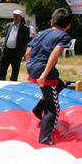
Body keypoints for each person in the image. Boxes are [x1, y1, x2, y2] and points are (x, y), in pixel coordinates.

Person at [25, 8, 72, 145]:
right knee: (53, 108)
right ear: (68, 25)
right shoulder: (64, 36)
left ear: (52, 22)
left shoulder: (41, 33)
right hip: (43, 73)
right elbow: (55, 54)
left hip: (32, 68)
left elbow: (28, 53)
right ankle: (44, 139)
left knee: (60, 84)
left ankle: (38, 108)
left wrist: (30, 72)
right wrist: (44, 75)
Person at [0, 9, 30, 81]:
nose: (15, 17)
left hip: (16, 52)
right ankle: (0, 83)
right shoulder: (8, 25)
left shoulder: (24, 28)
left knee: (15, 71)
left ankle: (12, 85)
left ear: (20, 17)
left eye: (17, 16)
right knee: (2, 69)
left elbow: (26, 41)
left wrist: (22, 52)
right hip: (6, 51)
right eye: (14, 16)